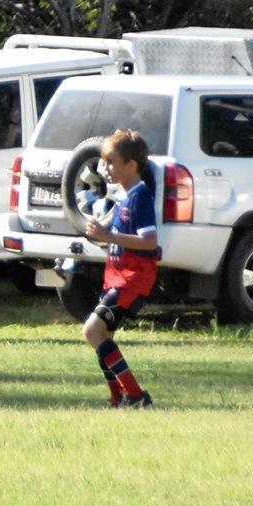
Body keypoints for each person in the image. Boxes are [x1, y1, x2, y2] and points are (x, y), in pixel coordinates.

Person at [74, 129, 160, 409]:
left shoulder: (140, 198)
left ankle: (136, 396)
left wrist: (109, 236)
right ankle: (119, 398)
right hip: (117, 278)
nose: (106, 168)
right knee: (103, 336)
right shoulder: (124, 196)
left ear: (131, 166)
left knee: (92, 331)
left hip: (133, 280)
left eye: (111, 162)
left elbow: (149, 241)